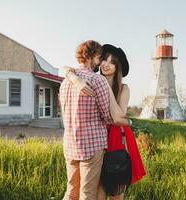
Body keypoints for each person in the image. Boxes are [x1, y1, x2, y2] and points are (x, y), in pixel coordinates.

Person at [64, 44, 146, 200]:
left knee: (116, 191)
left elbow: (118, 118)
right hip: (94, 139)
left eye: (112, 62)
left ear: (118, 67)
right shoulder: (92, 80)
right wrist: (73, 77)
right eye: (104, 60)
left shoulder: (123, 88)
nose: (106, 64)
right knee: (96, 190)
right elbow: (64, 68)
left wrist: (105, 86)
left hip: (116, 138)